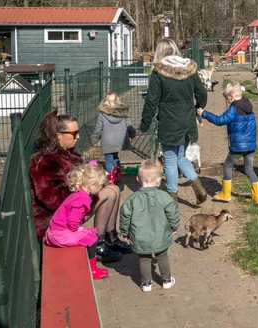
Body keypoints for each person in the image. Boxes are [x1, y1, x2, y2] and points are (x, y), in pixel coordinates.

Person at [29, 109, 130, 263]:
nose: (78, 136)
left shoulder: (67, 155)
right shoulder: (46, 162)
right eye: (74, 133)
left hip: (71, 210)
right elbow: (54, 200)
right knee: (109, 192)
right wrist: (90, 190)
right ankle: (98, 245)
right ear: (58, 135)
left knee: (113, 189)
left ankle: (110, 237)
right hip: (57, 221)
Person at [140, 38, 209, 204]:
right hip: (187, 121)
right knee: (180, 156)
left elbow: (151, 100)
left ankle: (172, 197)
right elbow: (202, 93)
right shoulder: (189, 69)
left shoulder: (158, 72)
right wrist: (198, 108)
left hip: (169, 121)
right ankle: (197, 185)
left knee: (170, 160)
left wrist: (144, 123)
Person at [119, 159, 180, 293]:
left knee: (144, 259)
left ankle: (146, 283)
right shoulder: (164, 197)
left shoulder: (132, 200)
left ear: (137, 179)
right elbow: (172, 212)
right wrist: (174, 226)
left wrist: (125, 232)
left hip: (140, 237)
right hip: (160, 235)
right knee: (162, 256)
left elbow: (125, 216)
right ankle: (167, 280)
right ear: (159, 181)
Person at [44, 163, 111, 280]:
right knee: (92, 239)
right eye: (100, 186)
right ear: (91, 185)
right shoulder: (82, 200)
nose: (101, 188)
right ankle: (92, 269)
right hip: (59, 234)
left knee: (90, 234)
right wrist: (75, 229)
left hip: (56, 230)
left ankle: (90, 266)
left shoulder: (79, 194)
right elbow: (73, 220)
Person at [198, 83, 258, 205]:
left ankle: (226, 194)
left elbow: (220, 120)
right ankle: (257, 197)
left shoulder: (234, 109)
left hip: (238, 146)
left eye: (227, 99)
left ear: (231, 96)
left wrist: (204, 114)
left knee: (227, 166)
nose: (227, 102)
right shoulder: (248, 105)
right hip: (250, 145)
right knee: (249, 169)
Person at [90, 92, 136, 184]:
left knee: (108, 159)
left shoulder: (102, 114)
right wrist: (132, 135)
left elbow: (98, 128)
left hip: (108, 141)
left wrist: (94, 140)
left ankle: (110, 179)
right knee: (115, 157)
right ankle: (117, 176)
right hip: (120, 140)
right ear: (117, 100)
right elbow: (129, 125)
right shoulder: (123, 112)